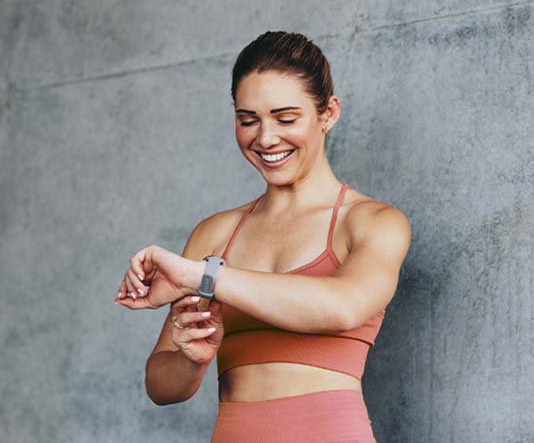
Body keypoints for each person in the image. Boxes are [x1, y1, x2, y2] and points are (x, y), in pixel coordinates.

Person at [113, 30, 412, 442]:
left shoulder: (372, 221)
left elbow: (344, 307)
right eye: (247, 120)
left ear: (328, 113)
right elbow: (162, 387)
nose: (266, 138)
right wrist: (191, 359)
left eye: (286, 119)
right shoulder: (215, 234)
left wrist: (206, 278)